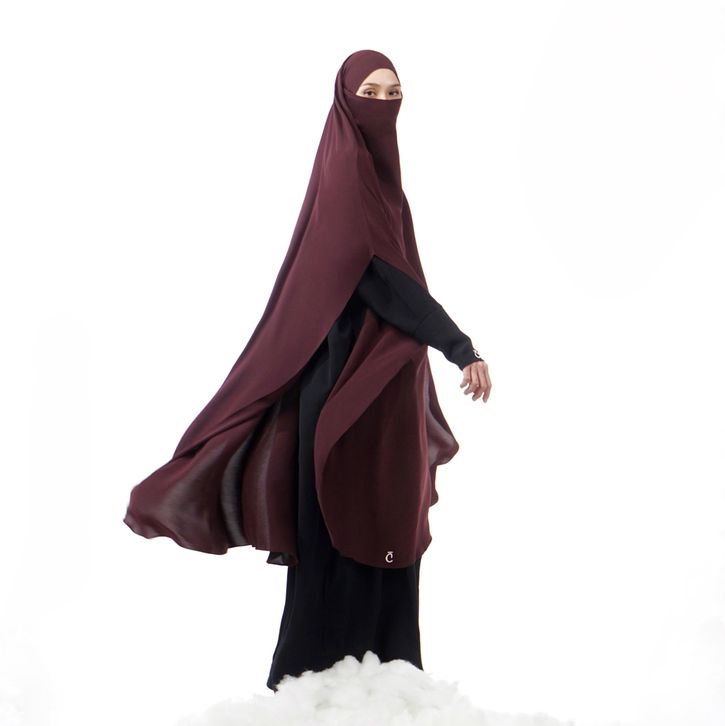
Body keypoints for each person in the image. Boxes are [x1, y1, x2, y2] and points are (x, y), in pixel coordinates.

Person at [122, 49, 492, 693]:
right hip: (347, 392)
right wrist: (460, 346)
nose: (384, 104)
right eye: (370, 92)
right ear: (346, 101)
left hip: (385, 392)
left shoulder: (379, 182)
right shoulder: (348, 175)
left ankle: (389, 687)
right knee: (342, 534)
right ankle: (309, 692)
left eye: (394, 92)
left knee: (387, 528)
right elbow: (381, 279)